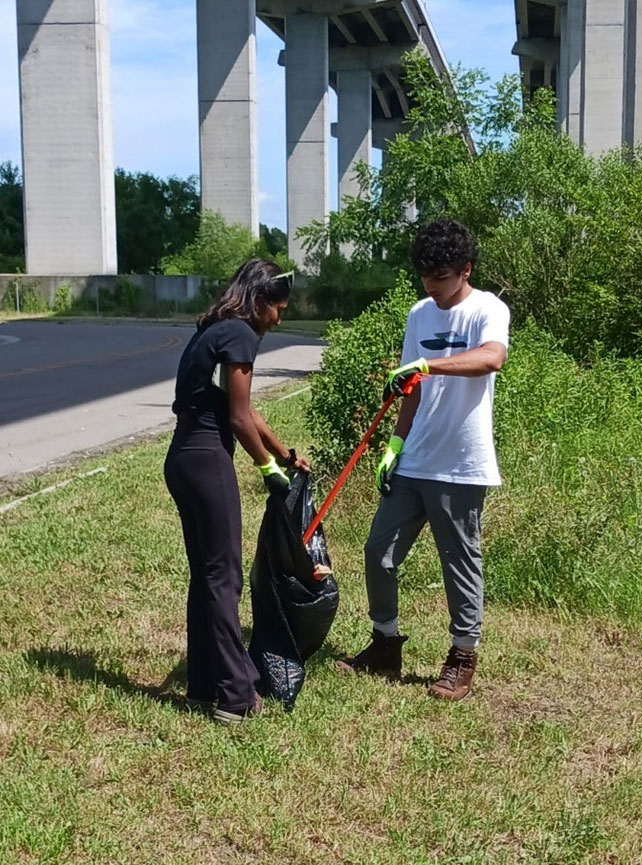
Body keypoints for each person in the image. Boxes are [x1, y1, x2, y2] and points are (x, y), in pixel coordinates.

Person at [337, 219, 510, 701]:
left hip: (461, 462)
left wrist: (429, 364)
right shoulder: (420, 314)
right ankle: (385, 644)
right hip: (415, 458)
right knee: (379, 552)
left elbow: (492, 358)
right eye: (425, 278)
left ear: (465, 270)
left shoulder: (487, 309)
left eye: (441, 278)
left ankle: (461, 658)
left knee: (459, 561)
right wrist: (394, 445)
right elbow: (410, 388)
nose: (432, 287)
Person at [164, 259, 309, 725]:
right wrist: (268, 470)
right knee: (224, 578)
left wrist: (284, 454)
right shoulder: (241, 334)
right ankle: (235, 697)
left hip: (183, 457)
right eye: (278, 309)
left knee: (207, 577)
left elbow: (246, 411)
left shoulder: (217, 327)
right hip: (207, 459)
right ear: (260, 301)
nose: (279, 319)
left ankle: (204, 686)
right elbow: (238, 419)